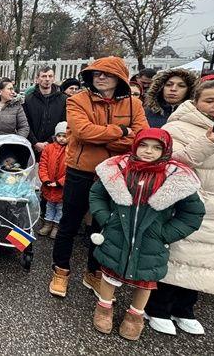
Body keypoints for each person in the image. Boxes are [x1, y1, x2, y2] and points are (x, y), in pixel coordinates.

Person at [89, 128, 204, 341]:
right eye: (143, 145)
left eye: (156, 147)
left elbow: (192, 213)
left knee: (146, 280)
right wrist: (106, 219)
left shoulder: (175, 178)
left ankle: (135, 315)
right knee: (109, 272)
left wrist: (165, 234)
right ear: (135, 146)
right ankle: (104, 307)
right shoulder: (119, 170)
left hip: (151, 241)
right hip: (117, 235)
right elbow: (97, 194)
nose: (148, 151)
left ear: (165, 150)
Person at [49, 56, 149, 299]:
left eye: (107, 73)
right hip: (81, 171)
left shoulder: (134, 105)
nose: (100, 77)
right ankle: (61, 270)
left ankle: (93, 272)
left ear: (120, 78)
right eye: (96, 73)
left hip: (115, 173)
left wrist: (106, 139)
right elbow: (82, 132)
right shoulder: (77, 100)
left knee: (104, 225)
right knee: (69, 223)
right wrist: (121, 131)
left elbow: (142, 137)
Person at [144, 79, 214, 335]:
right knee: (177, 257)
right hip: (188, 205)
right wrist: (210, 143)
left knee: (203, 261)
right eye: (210, 100)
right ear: (195, 102)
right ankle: (157, 307)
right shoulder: (178, 127)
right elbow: (168, 162)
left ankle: (185, 309)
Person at [24, 66, 67, 154]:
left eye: (50, 76)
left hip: (55, 145)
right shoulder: (28, 99)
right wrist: (35, 143)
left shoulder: (63, 99)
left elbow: (64, 122)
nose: (47, 79)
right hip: (32, 146)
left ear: (53, 78)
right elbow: (25, 123)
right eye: (43, 76)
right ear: (37, 79)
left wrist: (49, 141)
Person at [37, 122, 68, 238]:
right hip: (49, 185)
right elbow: (43, 165)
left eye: (64, 136)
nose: (61, 138)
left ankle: (56, 226)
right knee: (49, 206)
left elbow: (70, 170)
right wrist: (45, 180)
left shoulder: (71, 150)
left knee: (60, 208)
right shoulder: (48, 148)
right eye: (59, 136)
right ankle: (48, 224)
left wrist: (60, 183)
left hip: (61, 187)